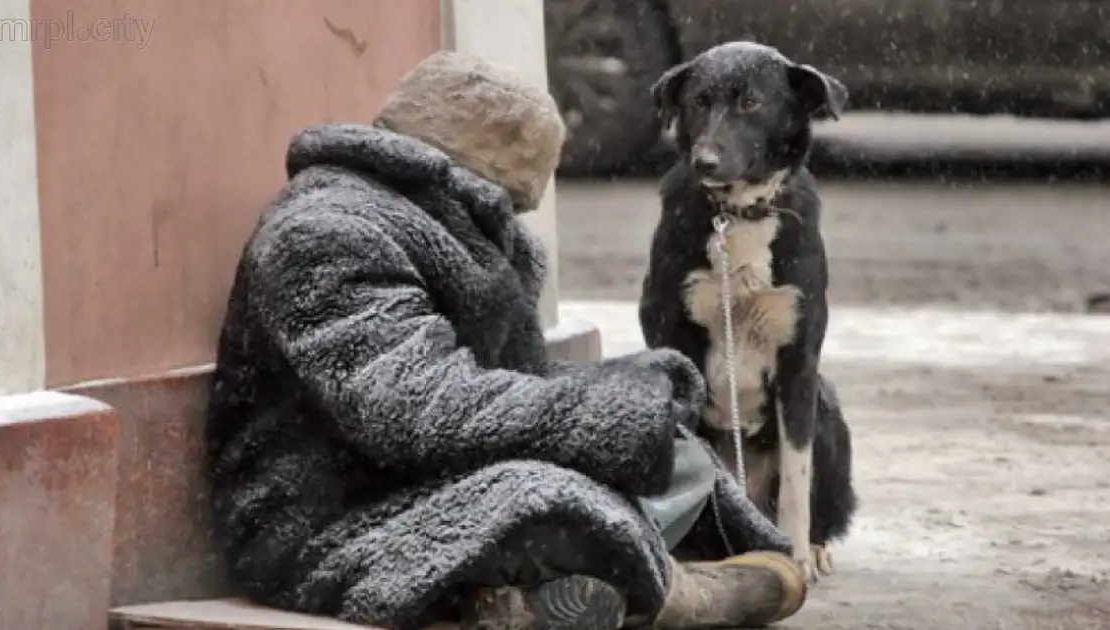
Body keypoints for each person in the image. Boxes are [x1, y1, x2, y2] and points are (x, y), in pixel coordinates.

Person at [205, 50, 808, 630]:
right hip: (326, 523)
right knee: (545, 498)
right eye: (508, 204)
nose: (514, 221)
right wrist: (600, 418)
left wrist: (629, 393)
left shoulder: (449, 229)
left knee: (671, 449)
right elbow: (417, 410)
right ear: (461, 177)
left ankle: (536, 597)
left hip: (430, 476)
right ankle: (672, 595)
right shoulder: (326, 234)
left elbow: (508, 389)